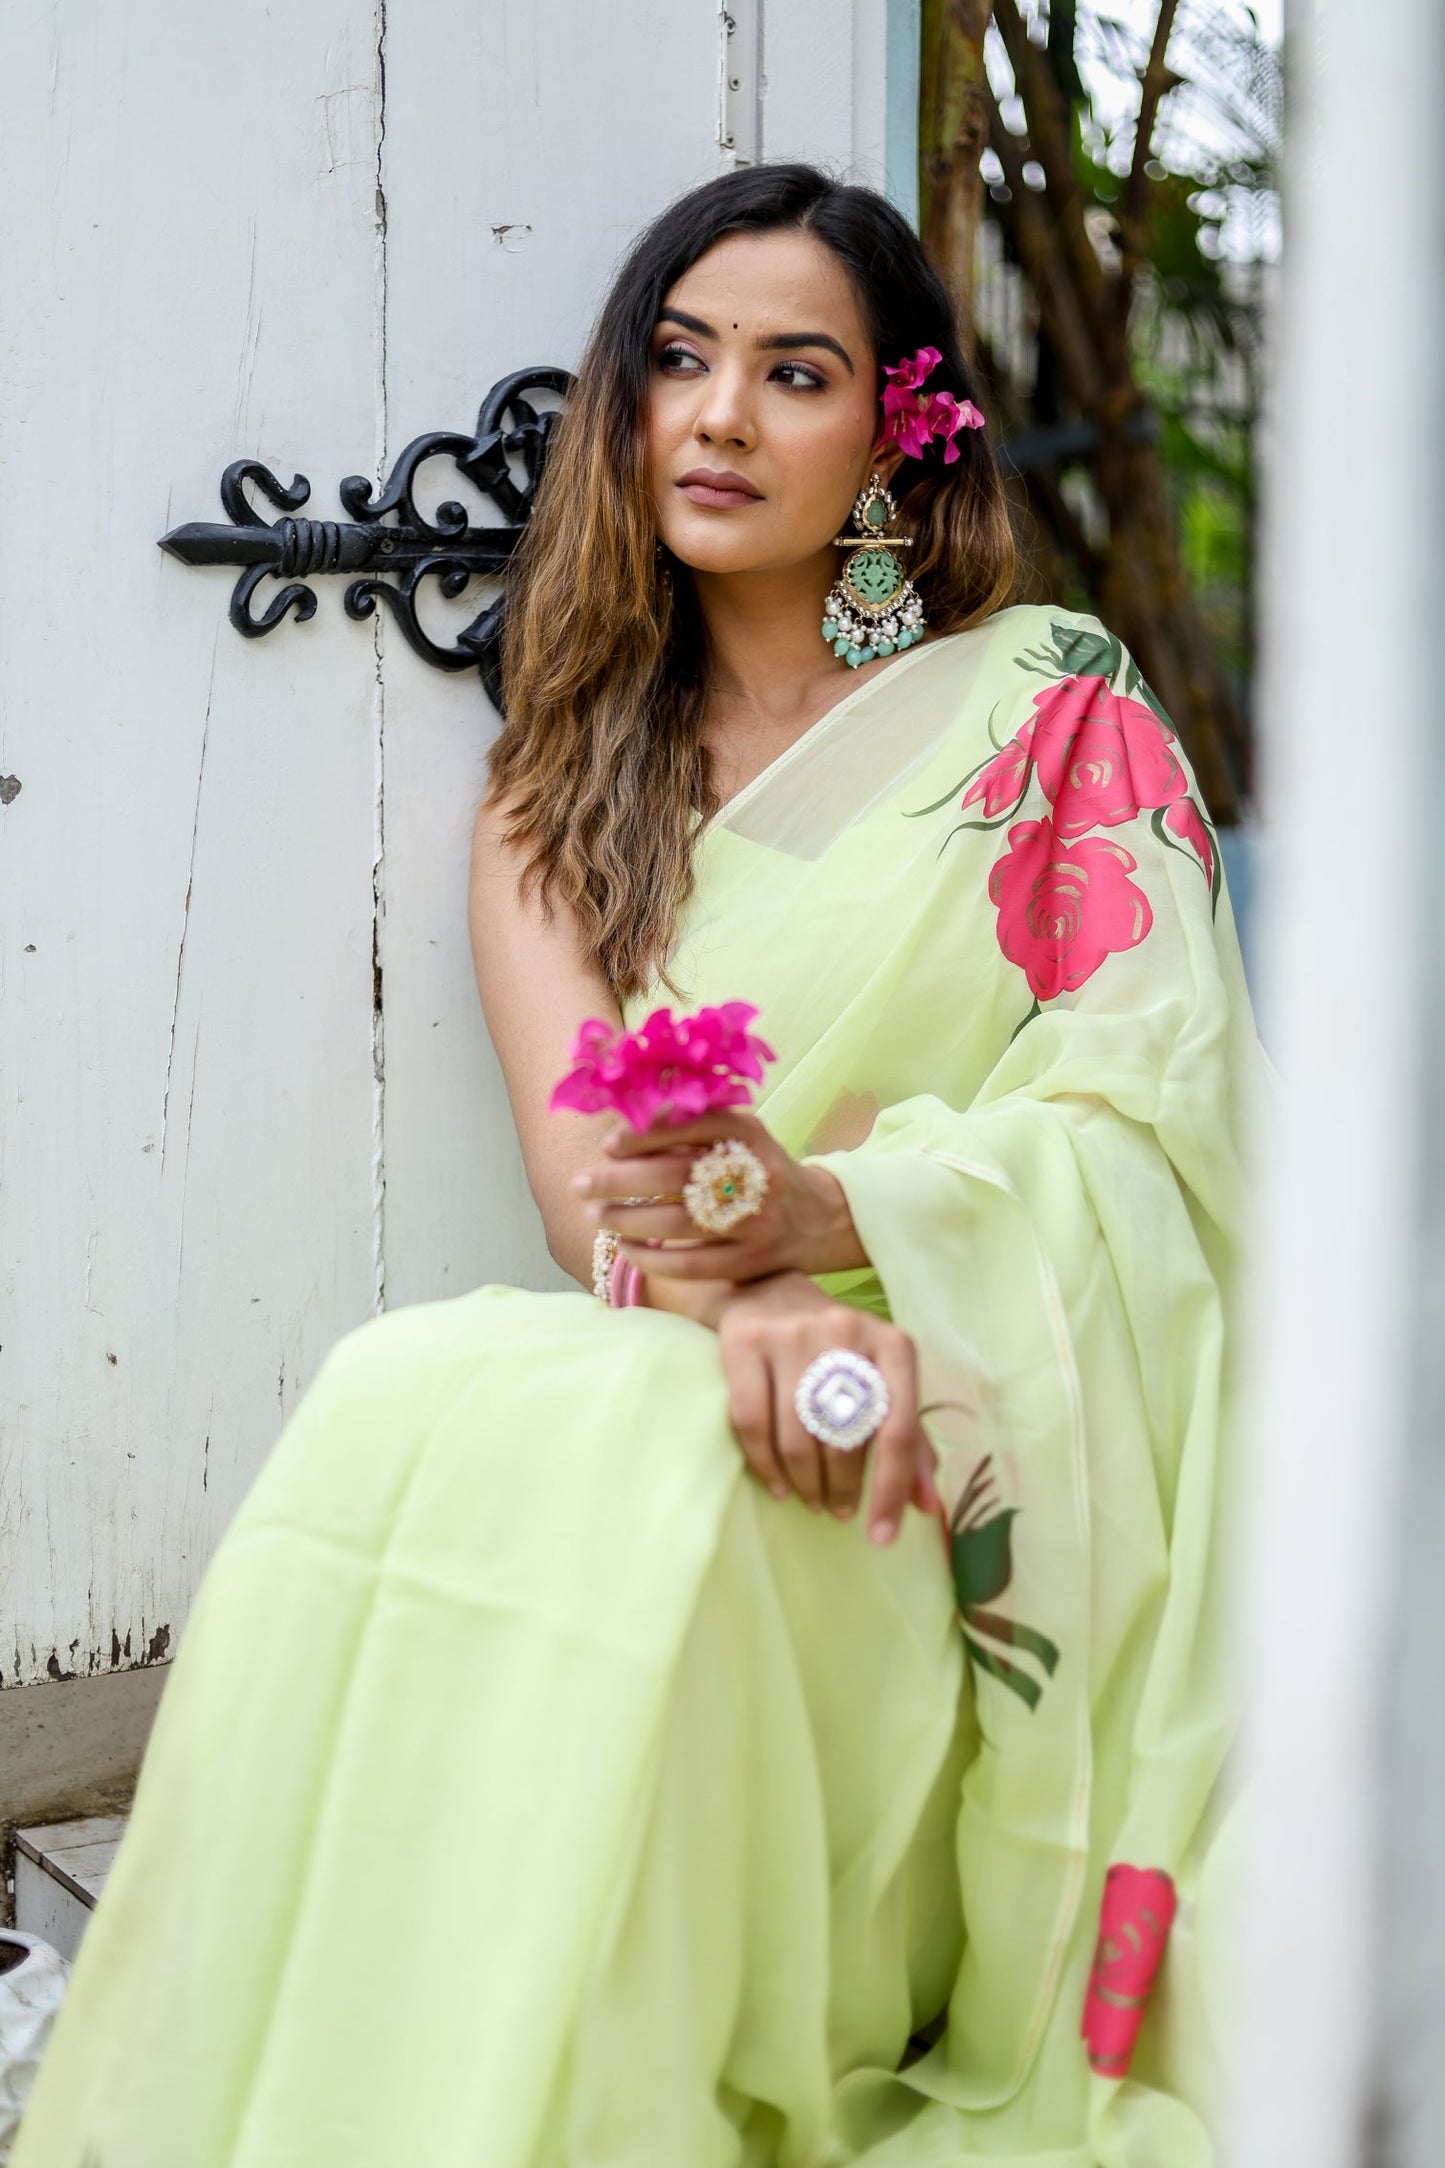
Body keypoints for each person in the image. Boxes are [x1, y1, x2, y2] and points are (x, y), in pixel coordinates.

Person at [12, 164, 1264, 2167]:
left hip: (970, 1410)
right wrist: (753, 1299)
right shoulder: (557, 793)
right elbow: (599, 1191)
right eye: (678, 359)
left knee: (648, 1456)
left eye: (794, 372)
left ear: (896, 432)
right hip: (706, 1354)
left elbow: (1166, 1119)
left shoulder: (1053, 715)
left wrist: (837, 1241)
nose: (719, 413)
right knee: (417, 1380)